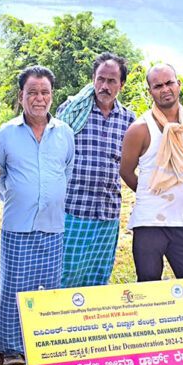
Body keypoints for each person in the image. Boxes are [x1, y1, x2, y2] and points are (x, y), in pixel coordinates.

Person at [119, 63, 183, 344]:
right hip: (150, 223)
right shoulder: (139, 129)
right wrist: (149, 194)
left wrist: (174, 193)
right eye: (157, 86)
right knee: (149, 285)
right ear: (150, 91)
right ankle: (151, 346)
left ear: (178, 84)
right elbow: (126, 171)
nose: (165, 89)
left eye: (168, 83)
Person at [0, 66, 75, 365]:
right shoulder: (5, 134)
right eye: (32, 93)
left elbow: (66, 169)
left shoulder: (64, 133)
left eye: (44, 92)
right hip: (19, 223)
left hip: (53, 223)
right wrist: (17, 196)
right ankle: (10, 347)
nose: (39, 99)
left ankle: (39, 345)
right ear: (21, 96)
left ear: (52, 95)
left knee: (48, 288)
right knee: (15, 286)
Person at [56, 52, 135, 287]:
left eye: (112, 81)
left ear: (121, 84)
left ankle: (89, 324)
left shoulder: (129, 120)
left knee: (98, 277)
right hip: (73, 208)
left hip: (107, 212)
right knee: (65, 274)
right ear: (93, 79)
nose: (104, 86)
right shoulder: (72, 112)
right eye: (100, 79)